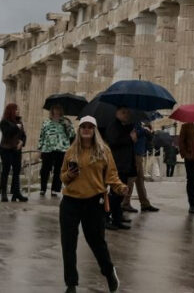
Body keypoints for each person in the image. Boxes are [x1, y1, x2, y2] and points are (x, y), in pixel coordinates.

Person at [60, 116, 125, 293]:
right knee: (68, 244)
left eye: (90, 127)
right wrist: (70, 175)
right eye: (83, 127)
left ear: (95, 130)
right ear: (79, 130)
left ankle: (109, 272)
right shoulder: (71, 151)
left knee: (96, 242)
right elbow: (63, 178)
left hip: (93, 201)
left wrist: (119, 187)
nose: (86, 129)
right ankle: (71, 284)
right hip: (70, 202)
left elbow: (111, 175)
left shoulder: (104, 151)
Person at [104, 107, 137, 230]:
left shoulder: (124, 126)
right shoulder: (113, 125)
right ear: (116, 113)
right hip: (117, 164)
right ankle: (106, 217)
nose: (126, 114)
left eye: (127, 112)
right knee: (115, 194)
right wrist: (130, 138)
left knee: (120, 194)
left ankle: (117, 218)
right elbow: (113, 141)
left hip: (124, 164)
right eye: (123, 112)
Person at [122, 119, 158, 213]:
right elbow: (133, 135)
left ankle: (145, 203)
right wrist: (144, 130)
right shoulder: (132, 121)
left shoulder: (139, 122)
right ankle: (125, 203)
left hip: (140, 153)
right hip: (134, 153)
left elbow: (145, 138)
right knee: (131, 179)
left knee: (140, 180)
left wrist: (148, 132)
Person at [39, 103, 74, 197]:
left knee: (58, 170)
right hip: (47, 148)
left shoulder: (66, 121)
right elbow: (42, 136)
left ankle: (55, 189)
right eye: (55, 108)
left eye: (59, 108)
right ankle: (43, 188)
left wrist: (68, 126)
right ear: (52, 110)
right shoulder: (46, 122)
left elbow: (72, 135)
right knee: (44, 170)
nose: (57, 110)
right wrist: (40, 148)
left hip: (61, 148)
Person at [0, 102, 28, 202]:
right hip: (6, 149)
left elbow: (23, 135)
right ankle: (3, 193)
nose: (18, 111)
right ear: (10, 111)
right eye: (16, 109)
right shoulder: (4, 122)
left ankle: (16, 193)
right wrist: (16, 127)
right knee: (6, 171)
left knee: (16, 172)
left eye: (18, 109)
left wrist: (22, 142)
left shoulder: (19, 122)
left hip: (16, 149)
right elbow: (6, 133)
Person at [177, 121, 194, 213]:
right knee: (190, 180)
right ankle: (192, 204)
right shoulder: (186, 126)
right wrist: (185, 154)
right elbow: (181, 141)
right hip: (190, 158)